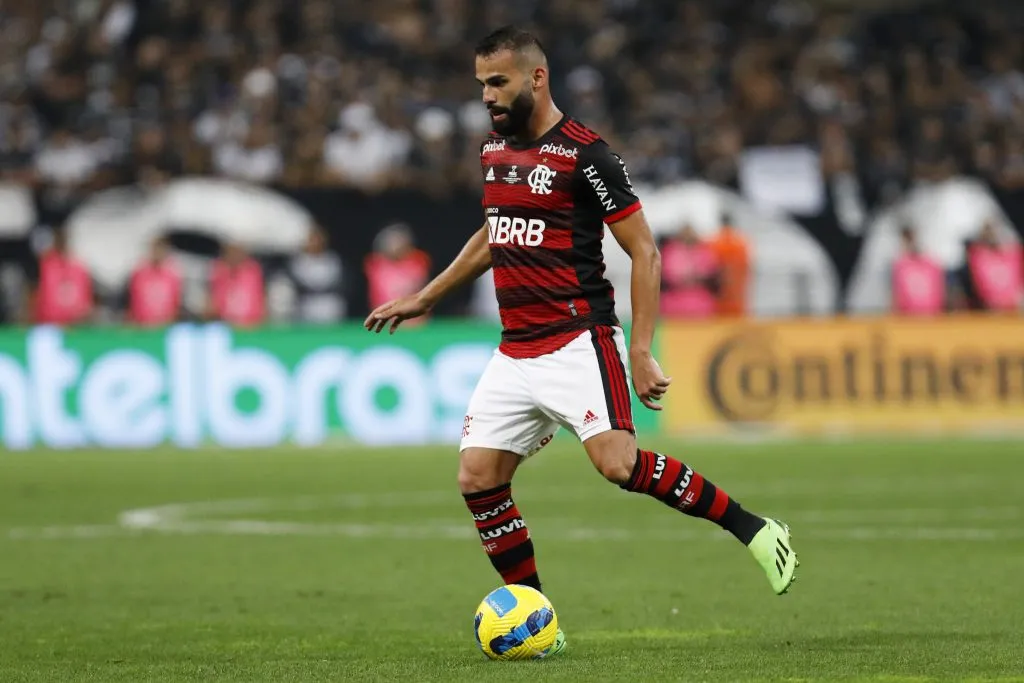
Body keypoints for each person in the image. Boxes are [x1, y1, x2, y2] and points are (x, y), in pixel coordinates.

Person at [364, 27, 798, 654]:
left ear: (536, 78)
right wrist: (426, 296)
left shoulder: (586, 156)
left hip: (577, 339)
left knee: (618, 464)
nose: (487, 95)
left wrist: (642, 350)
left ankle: (755, 529)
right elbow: (495, 234)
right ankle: (541, 622)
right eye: (481, 83)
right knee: (477, 477)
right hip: (515, 349)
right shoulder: (494, 149)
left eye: (498, 82)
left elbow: (644, 250)